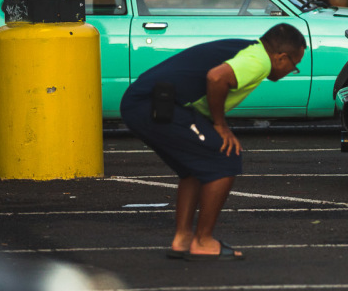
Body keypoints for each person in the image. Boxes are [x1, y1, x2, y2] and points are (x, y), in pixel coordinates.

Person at [119, 24, 306, 261]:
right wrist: (220, 125)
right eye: (294, 66)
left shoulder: (248, 49)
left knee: (195, 168)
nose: (292, 70)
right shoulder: (260, 61)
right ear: (281, 57)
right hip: (153, 104)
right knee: (225, 156)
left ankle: (183, 239)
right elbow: (217, 77)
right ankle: (203, 241)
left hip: (145, 102)